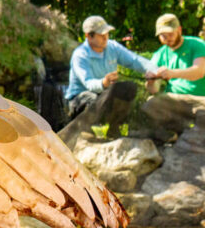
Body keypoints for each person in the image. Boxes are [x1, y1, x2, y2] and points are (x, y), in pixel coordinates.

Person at [59, 16, 156, 146]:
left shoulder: (113, 47)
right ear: (89, 36)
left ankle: (113, 128)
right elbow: (88, 83)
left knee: (129, 87)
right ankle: (85, 133)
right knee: (92, 98)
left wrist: (155, 70)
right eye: (101, 35)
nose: (105, 37)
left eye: (107, 33)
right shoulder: (80, 55)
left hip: (104, 96)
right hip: (81, 99)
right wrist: (104, 83)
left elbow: (134, 61)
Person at [147, 13, 205, 99]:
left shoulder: (198, 44)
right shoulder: (159, 54)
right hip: (174, 100)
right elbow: (154, 90)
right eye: (163, 36)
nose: (167, 39)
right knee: (150, 102)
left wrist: (172, 73)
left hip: (204, 99)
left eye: (170, 34)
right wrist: (150, 82)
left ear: (179, 30)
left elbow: (199, 72)